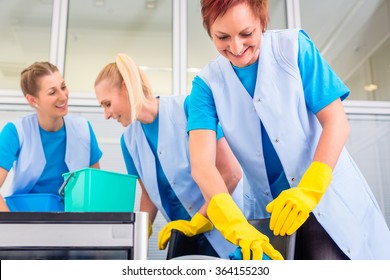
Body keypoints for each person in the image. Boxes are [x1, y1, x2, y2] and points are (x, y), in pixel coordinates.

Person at [184, 0, 390, 260]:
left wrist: (310, 189)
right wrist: (233, 224)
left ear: (262, 22)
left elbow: (336, 122)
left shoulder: (293, 48)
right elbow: (202, 164)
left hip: (325, 198)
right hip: (269, 213)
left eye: (247, 34)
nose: (236, 48)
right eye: (222, 37)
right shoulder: (205, 85)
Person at [94, 53, 243, 259]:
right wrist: (139, 234)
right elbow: (149, 194)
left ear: (126, 87)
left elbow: (231, 173)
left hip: (225, 232)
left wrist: (199, 221)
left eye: (107, 103)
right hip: (183, 237)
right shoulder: (128, 141)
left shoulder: (187, 109)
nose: (106, 114)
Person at [0, 61, 102, 212]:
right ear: (32, 100)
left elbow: (96, 188)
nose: (63, 97)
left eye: (63, 87)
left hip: (72, 223)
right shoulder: (15, 132)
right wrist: (12, 226)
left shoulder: (83, 129)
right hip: (26, 221)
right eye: (52, 92)